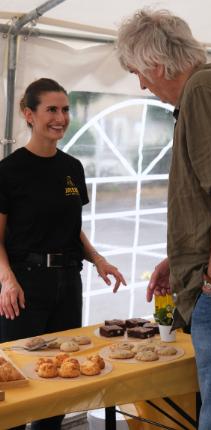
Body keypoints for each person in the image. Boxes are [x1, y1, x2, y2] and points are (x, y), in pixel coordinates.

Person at [116, 9, 211, 429]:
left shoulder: (203, 90)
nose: (142, 84)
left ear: (158, 64)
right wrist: (180, 258)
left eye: (139, 73)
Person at [0, 78, 126, 430]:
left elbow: (72, 228)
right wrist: (7, 280)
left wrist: (98, 259)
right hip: (24, 287)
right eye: (51, 110)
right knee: (15, 382)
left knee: (59, 382)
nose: (61, 117)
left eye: (65, 109)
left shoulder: (73, 168)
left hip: (68, 283)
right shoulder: (9, 171)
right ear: (29, 114)